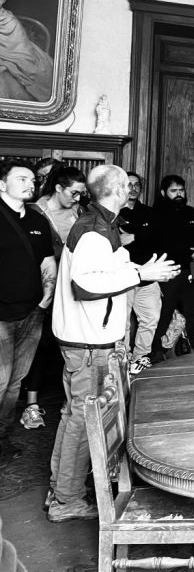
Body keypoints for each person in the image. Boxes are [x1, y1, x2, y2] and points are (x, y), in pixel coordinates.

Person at [48, 165, 178, 522]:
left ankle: (60, 489)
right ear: (119, 189)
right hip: (88, 342)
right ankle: (66, 500)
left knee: (73, 415)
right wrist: (140, 274)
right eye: (127, 185)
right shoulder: (93, 230)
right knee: (82, 419)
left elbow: (102, 272)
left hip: (85, 339)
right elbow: (85, 286)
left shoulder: (100, 224)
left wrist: (136, 267)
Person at [20, 164, 86, 429]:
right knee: (40, 345)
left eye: (81, 193)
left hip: (73, 289)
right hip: (43, 288)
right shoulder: (36, 211)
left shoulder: (80, 212)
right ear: (58, 188)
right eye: (73, 192)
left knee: (70, 345)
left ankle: (70, 401)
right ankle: (31, 405)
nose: (78, 198)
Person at [0, 159, 55, 459]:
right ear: (1, 184)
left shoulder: (37, 220)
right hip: (1, 317)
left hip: (32, 313)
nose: (30, 183)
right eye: (21, 178)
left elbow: (48, 260)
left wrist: (46, 297)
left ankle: (2, 439)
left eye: (32, 179)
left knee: (14, 384)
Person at [151, 175, 194, 358]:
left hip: (192, 272)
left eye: (181, 190)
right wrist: (190, 252)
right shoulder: (156, 214)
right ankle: (157, 352)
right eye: (173, 191)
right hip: (168, 271)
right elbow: (166, 241)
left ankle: (187, 348)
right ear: (163, 193)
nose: (178, 194)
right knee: (165, 313)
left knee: (192, 311)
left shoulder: (191, 212)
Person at [118, 171, 163, 374]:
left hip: (148, 275)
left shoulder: (150, 213)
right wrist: (121, 240)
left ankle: (140, 358)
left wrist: (134, 237)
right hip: (123, 276)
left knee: (150, 319)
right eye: (129, 184)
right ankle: (124, 359)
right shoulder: (114, 212)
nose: (133, 188)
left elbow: (157, 240)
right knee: (122, 322)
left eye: (137, 185)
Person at [0, 0, 55, 103]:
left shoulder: (10, 21)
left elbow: (23, 52)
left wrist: (6, 65)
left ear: (4, 1)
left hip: (19, 59)